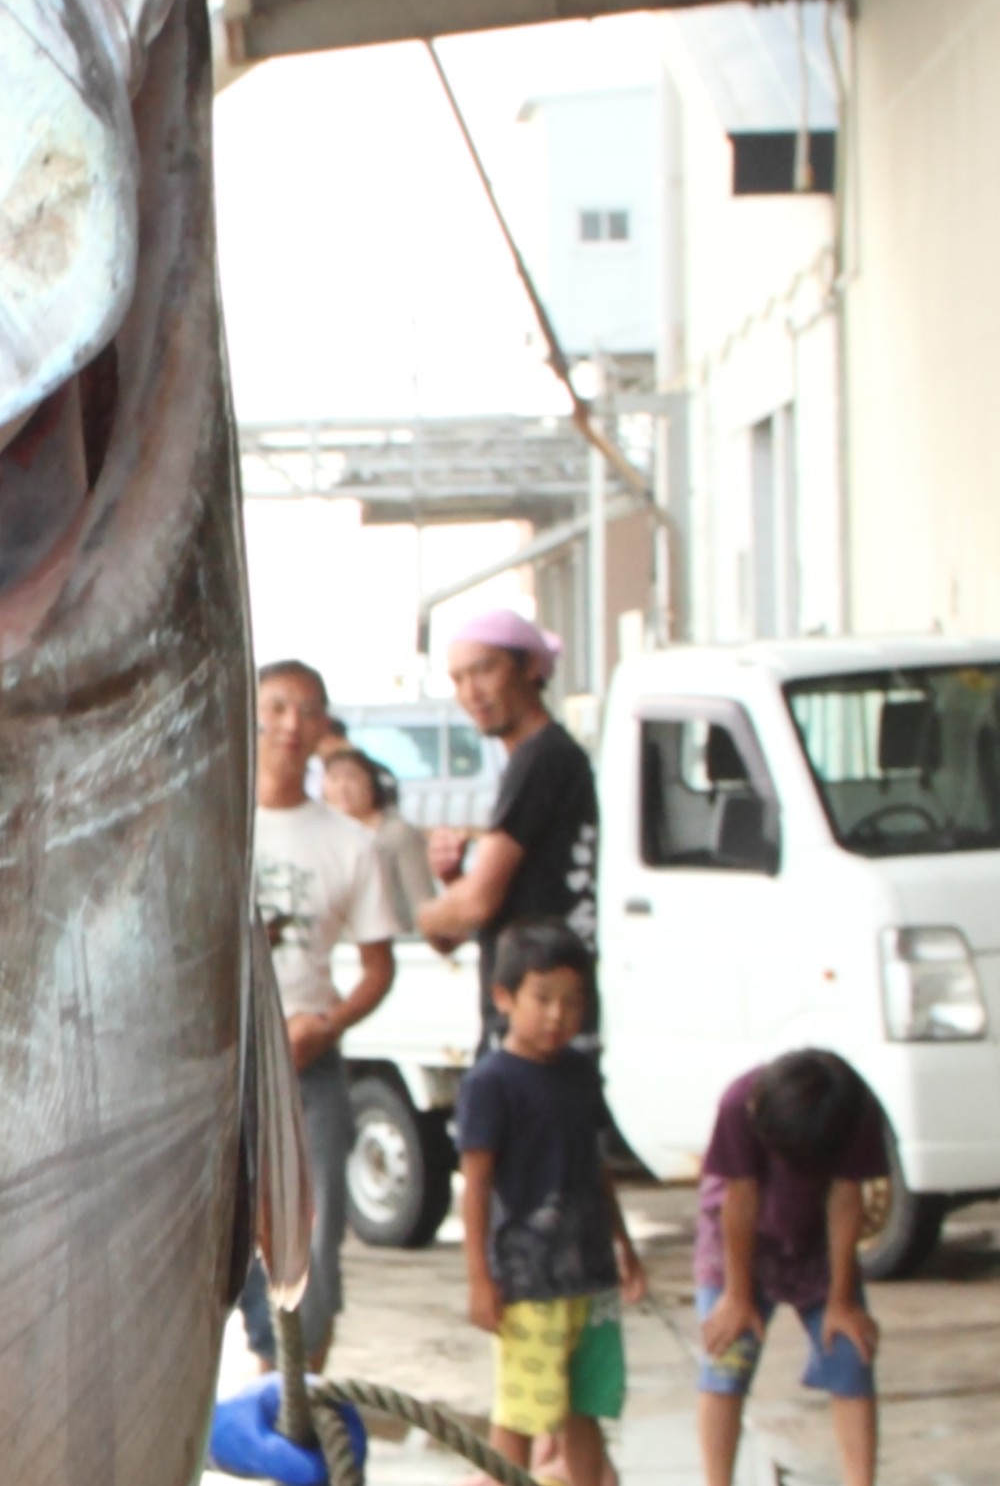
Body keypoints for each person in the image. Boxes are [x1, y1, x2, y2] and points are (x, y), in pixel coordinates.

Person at [241, 660, 405, 1373]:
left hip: (308, 1073)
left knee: (311, 1260)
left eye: (306, 711)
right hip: (218, 1074)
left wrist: (326, 1026)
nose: (288, 724)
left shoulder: (350, 843)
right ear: (249, 713)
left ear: (324, 728)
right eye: (275, 706)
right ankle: (256, 1398)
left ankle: (299, 1402)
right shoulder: (216, 825)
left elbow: (377, 970)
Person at [457, 920, 644, 1486]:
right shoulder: (491, 1082)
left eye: (573, 1001)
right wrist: (480, 1280)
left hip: (590, 1271)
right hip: (527, 1279)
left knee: (586, 1405)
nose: (558, 1016)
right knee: (521, 1411)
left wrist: (625, 1249)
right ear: (504, 997)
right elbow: (476, 1185)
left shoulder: (581, 1074)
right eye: (543, 999)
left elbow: (598, 1168)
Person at [695, 1049, 888, 1486]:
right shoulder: (741, 1102)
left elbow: (845, 1199)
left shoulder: (853, 1108)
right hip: (737, 1240)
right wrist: (737, 1296)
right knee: (726, 1357)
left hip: (819, 1237)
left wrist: (842, 1301)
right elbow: (739, 1201)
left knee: (851, 1353)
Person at [417, 608, 599, 1052]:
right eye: (457, 679)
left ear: (531, 667)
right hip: (541, 1019)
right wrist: (454, 882)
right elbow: (482, 909)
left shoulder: (542, 757)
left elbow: (477, 904)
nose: (470, 692)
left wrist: (424, 915)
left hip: (535, 1028)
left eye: (484, 670)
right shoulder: (540, 757)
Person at [317, 737, 438, 925]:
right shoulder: (322, 835)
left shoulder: (399, 833)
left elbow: (422, 901)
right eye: (334, 778)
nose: (343, 787)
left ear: (372, 783)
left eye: (352, 776)